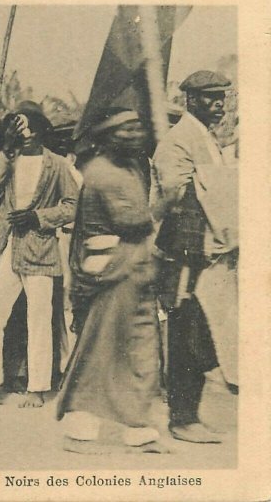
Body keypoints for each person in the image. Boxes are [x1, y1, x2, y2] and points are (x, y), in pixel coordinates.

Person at [56, 108, 167, 454]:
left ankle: (137, 422)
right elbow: (131, 221)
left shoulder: (132, 167)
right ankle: (82, 420)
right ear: (105, 138)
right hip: (113, 271)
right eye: (125, 131)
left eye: (137, 129)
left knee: (141, 349)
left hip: (135, 270)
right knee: (106, 350)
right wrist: (167, 204)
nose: (134, 135)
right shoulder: (101, 172)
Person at [0, 103, 78, 409]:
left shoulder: (57, 164)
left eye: (32, 126)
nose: (27, 133)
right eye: (20, 128)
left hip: (41, 248)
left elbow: (72, 205)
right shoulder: (10, 159)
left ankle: (37, 388)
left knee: (39, 318)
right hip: (8, 247)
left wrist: (39, 217)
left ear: (42, 129)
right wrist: (5, 152)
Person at [152, 70, 237, 444]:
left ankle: (190, 412)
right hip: (186, 248)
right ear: (189, 100)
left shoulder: (207, 139)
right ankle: (183, 417)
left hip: (210, 249)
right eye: (209, 97)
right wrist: (191, 250)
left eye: (222, 96)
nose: (219, 103)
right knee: (185, 329)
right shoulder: (178, 141)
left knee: (200, 328)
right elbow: (175, 200)